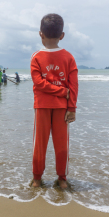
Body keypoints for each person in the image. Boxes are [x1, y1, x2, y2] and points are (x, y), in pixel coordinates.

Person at [30, 13, 78, 190]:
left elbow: (39, 83)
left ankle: (37, 179)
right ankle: (62, 179)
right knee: (62, 143)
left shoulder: (36, 57)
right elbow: (73, 86)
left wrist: (63, 94)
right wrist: (69, 102)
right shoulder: (69, 57)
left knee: (39, 144)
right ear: (62, 35)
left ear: (40, 33)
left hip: (42, 106)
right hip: (62, 107)